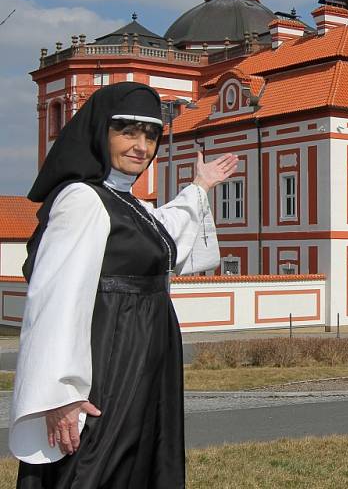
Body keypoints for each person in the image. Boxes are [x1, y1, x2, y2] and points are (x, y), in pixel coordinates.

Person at [11, 82, 238, 488]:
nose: (141, 146)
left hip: (144, 356)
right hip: (109, 360)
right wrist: (59, 393)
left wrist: (200, 187)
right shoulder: (81, 199)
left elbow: (164, 240)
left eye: (150, 135)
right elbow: (56, 299)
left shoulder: (128, 202)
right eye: (128, 132)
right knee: (96, 466)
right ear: (101, 132)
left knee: (137, 463)